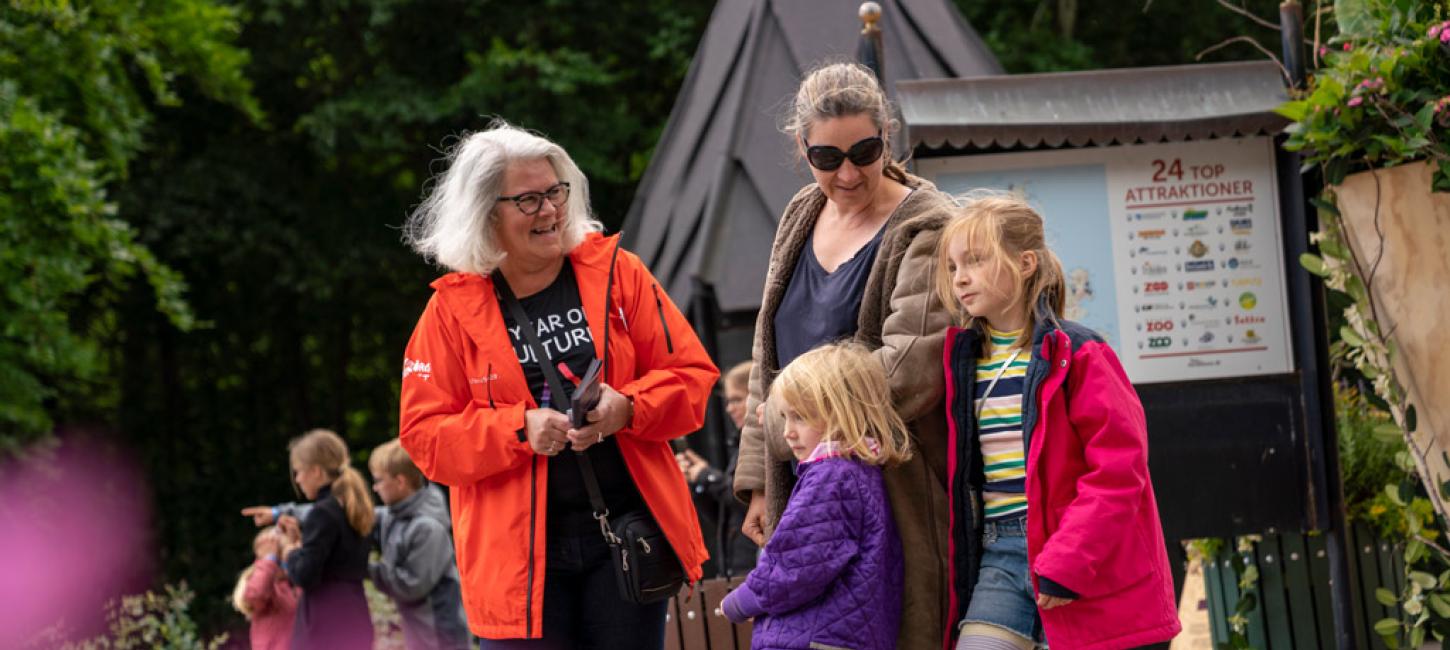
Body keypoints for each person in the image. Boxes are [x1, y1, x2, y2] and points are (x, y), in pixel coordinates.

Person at [397, 119, 718, 648]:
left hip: (625, 537)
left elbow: (693, 379)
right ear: (486, 213)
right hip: (514, 561)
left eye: (555, 192)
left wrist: (628, 407)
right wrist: (517, 429)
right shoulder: (451, 312)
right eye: (528, 200)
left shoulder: (620, 273)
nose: (549, 210)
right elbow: (424, 436)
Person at [732, 61, 957, 650]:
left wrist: (785, 423)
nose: (850, 173)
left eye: (865, 151)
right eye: (827, 159)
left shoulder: (929, 226)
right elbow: (767, 351)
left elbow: (912, 373)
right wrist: (758, 475)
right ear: (801, 148)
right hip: (801, 485)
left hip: (893, 494)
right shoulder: (800, 214)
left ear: (888, 133)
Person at [937, 195, 1180, 649]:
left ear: (1025, 262)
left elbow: (1119, 472)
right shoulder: (961, 362)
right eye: (953, 267)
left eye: (975, 260)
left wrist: (1069, 560)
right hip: (999, 554)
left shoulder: (1080, 353)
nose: (960, 278)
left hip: (1082, 556)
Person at [720, 343, 909, 650]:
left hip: (816, 638)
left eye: (800, 418)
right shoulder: (858, 471)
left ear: (839, 413)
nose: (787, 432)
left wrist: (744, 600)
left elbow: (797, 564)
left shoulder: (831, 477)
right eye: (784, 417)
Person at [368, 439, 471, 650]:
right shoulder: (392, 514)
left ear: (400, 482)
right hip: (418, 635)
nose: (374, 488)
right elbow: (355, 517)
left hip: (442, 638)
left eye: (379, 480)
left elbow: (410, 586)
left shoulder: (428, 528)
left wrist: (365, 568)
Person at [277, 428, 375, 649]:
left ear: (316, 472)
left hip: (325, 622)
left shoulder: (323, 512)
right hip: (355, 615)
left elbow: (306, 575)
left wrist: (290, 550)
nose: (298, 479)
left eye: (299, 472)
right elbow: (335, 559)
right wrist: (302, 542)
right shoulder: (355, 508)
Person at [676, 360, 757, 576]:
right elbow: (725, 515)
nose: (730, 408)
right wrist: (697, 482)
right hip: (738, 569)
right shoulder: (740, 443)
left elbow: (749, 497)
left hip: (755, 566)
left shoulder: (763, 443)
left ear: (756, 396)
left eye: (737, 400)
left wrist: (706, 476)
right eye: (728, 402)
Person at [232, 526, 299, 650]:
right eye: (288, 547)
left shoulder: (296, 584)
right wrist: (269, 560)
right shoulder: (271, 588)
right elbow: (256, 595)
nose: (294, 550)